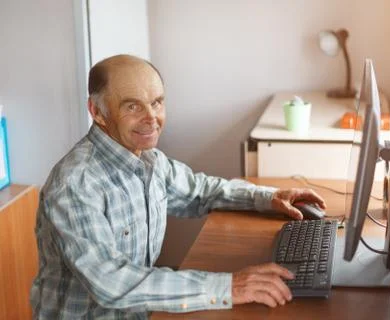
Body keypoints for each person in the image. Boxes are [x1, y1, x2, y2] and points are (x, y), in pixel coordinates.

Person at [30, 54, 326, 319]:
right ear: (97, 112)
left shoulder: (148, 159)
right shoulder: (75, 184)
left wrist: (268, 197)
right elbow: (112, 283)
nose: (152, 118)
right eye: (132, 106)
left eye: (157, 102)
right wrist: (229, 285)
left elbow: (200, 191)